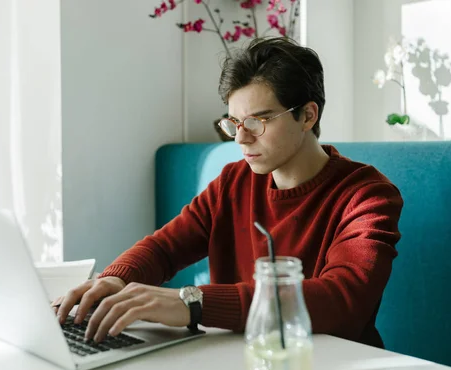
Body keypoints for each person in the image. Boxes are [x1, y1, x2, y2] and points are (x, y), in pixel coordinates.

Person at [53, 37, 404, 348]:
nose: (240, 138)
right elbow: (165, 248)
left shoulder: (368, 195)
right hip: (241, 361)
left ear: (308, 115)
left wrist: (193, 303)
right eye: (233, 123)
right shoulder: (234, 181)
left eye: (257, 121)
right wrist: (115, 280)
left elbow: (343, 299)